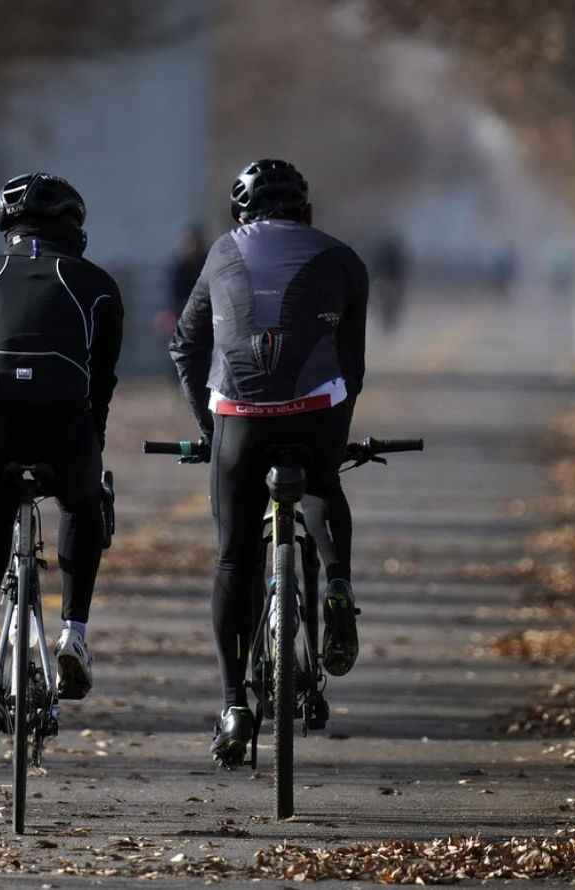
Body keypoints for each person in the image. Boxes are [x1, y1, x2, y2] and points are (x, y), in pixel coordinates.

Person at [168, 158, 368, 766]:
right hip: (319, 412)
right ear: (307, 213)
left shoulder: (221, 252)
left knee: (233, 556)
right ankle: (337, 583)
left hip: (240, 417)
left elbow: (185, 345)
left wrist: (211, 431)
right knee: (323, 482)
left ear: (240, 216)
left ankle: (233, 705)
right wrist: (335, 426)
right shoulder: (344, 258)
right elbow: (351, 364)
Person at [0, 172, 124, 762]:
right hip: (63, 422)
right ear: (75, 228)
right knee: (80, 501)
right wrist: (89, 458)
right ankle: (73, 634)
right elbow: (100, 385)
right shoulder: (97, 285)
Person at [154, 225, 209, 339]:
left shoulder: (207, 262)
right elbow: (170, 296)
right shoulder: (176, 266)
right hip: (181, 313)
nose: (194, 248)